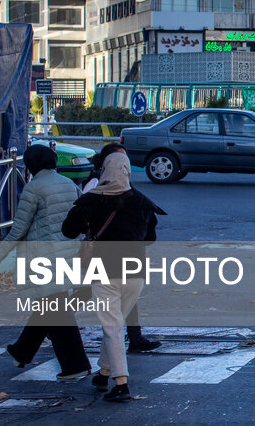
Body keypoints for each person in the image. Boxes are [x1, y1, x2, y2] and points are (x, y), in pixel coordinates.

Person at [62, 151, 160, 403]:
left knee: (112, 326)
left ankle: (121, 383)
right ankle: (103, 373)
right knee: (114, 325)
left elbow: (68, 230)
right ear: (128, 171)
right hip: (136, 273)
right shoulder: (142, 201)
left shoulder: (92, 200)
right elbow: (150, 239)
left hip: (103, 272)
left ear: (104, 169)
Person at [0, 144, 91, 381]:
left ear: (31, 165)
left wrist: (0, 254)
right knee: (50, 305)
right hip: (68, 253)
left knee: (55, 310)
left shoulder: (33, 188)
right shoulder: (69, 184)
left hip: (43, 257)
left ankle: (75, 365)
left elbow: (19, 229)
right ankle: (21, 350)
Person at [83, 143, 162, 354]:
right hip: (100, 256)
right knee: (85, 293)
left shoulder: (128, 190)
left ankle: (132, 338)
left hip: (117, 259)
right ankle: (49, 325)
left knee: (123, 296)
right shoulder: (95, 186)